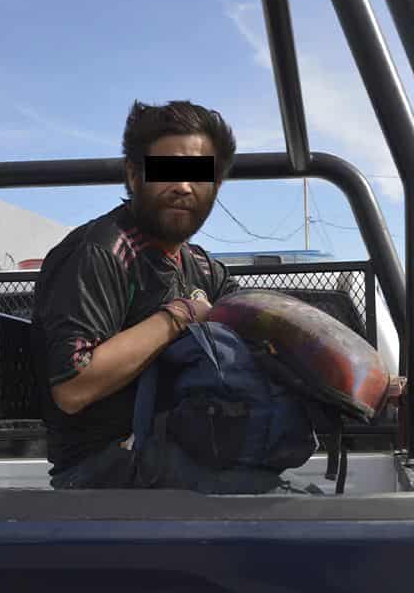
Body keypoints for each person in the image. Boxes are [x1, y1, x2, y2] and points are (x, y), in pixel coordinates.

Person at [31, 99, 278, 493]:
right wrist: (178, 315)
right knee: (269, 504)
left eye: (199, 175)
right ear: (133, 175)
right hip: (102, 468)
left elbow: (256, 318)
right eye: (167, 172)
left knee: (279, 454)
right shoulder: (100, 251)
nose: (183, 186)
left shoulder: (199, 266)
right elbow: (72, 387)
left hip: (178, 446)